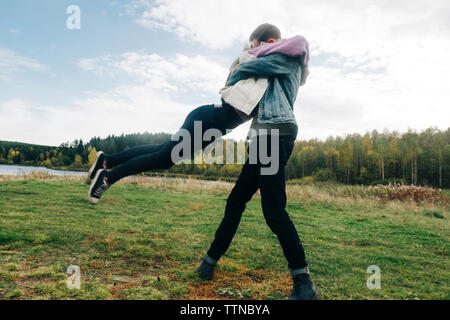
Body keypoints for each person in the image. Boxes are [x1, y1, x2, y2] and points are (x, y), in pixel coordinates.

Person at [86, 25, 308, 205]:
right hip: (209, 118)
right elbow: (250, 62)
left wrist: (275, 46)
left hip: (216, 127)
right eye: (252, 46)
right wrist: (257, 48)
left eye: (254, 45)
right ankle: (107, 178)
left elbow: (296, 49)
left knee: (162, 151)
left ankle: (106, 160)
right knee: (163, 158)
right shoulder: (251, 60)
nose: (252, 49)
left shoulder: (274, 70)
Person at [197, 23, 318, 300]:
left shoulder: (285, 58)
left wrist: (241, 64)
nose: (252, 52)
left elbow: (247, 69)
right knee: (237, 199)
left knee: (274, 211)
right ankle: (210, 261)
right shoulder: (282, 58)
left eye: (254, 46)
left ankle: (304, 283)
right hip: (266, 137)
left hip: (274, 135)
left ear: (270, 41)